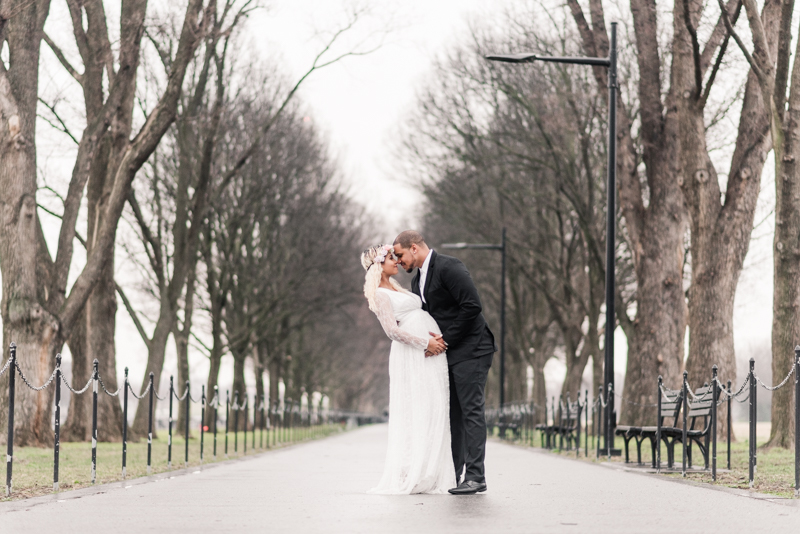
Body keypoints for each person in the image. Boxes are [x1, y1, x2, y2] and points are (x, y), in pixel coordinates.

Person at [393, 231, 496, 495]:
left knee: (471, 410)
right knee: (452, 414)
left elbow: (472, 306)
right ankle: (454, 474)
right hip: (447, 354)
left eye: (400, 254)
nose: (399, 261)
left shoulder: (450, 266)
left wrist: (445, 340)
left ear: (414, 248)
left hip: (473, 349)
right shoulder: (418, 281)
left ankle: (476, 476)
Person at [362, 244, 456, 495]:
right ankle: (410, 470)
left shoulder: (398, 288)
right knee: (418, 406)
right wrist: (426, 342)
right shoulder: (380, 294)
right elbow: (391, 331)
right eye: (391, 258)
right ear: (379, 265)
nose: (397, 262)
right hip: (414, 354)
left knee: (436, 404)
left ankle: (430, 470)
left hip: (430, 351)